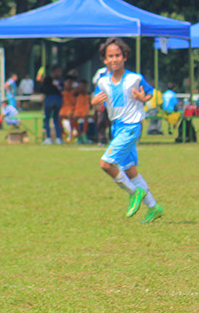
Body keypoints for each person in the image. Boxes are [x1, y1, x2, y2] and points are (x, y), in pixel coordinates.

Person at [90, 37, 163, 224]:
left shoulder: (134, 78)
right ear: (105, 60)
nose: (114, 59)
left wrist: (142, 97)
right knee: (130, 170)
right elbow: (99, 106)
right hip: (117, 127)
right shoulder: (103, 82)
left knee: (106, 164)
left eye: (117, 55)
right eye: (110, 56)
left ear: (124, 57)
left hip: (131, 127)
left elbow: (150, 93)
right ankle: (154, 207)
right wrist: (95, 104)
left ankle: (134, 192)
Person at [38, 65, 64, 144]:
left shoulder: (47, 81)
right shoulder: (58, 82)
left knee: (47, 119)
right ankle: (58, 138)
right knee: (56, 119)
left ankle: (48, 138)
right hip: (58, 99)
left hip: (49, 99)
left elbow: (42, 91)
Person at [59, 71, 78, 142]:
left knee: (71, 116)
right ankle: (63, 135)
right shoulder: (62, 93)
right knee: (60, 118)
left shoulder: (75, 92)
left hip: (72, 110)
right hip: (63, 110)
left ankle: (72, 134)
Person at [73, 79, 91, 144]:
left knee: (86, 118)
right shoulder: (76, 93)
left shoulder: (88, 94)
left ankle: (84, 134)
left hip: (85, 109)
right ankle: (79, 135)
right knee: (74, 119)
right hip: (77, 110)